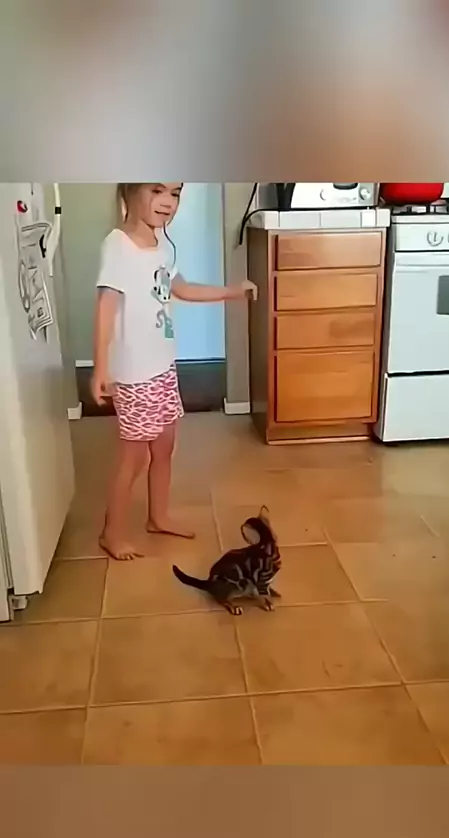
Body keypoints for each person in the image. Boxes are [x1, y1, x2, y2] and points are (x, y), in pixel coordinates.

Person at [91, 183, 257, 560]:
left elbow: (182, 289)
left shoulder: (162, 246)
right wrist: (101, 366)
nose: (168, 202)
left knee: (165, 446)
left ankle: (159, 516)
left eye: (176, 193)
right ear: (130, 192)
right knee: (133, 458)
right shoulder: (118, 246)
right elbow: (105, 308)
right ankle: (111, 532)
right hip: (134, 375)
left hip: (163, 367)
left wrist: (232, 291)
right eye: (157, 191)